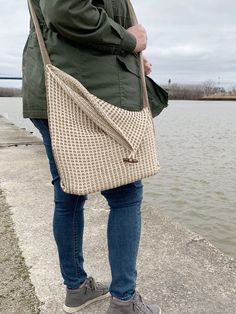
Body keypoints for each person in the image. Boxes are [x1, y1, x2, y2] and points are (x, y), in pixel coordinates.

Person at [22, 1, 161, 313]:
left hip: (53, 88)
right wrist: (129, 41)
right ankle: (124, 300)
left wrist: (129, 54)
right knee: (126, 193)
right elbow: (66, 9)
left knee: (68, 191)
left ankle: (77, 288)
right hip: (87, 94)